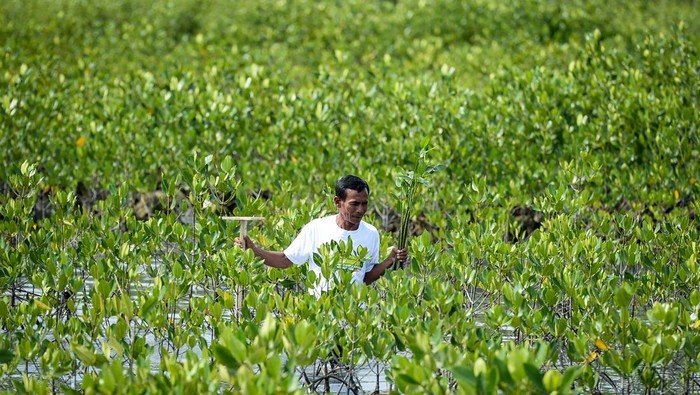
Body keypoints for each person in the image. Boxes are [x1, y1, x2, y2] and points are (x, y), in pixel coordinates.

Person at [234, 175, 408, 297]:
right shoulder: (317, 228)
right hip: (321, 315)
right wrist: (254, 251)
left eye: (364, 204)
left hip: (354, 317)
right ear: (337, 202)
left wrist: (389, 261)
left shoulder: (371, 233)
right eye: (354, 204)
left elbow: (365, 278)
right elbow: (285, 260)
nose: (361, 210)